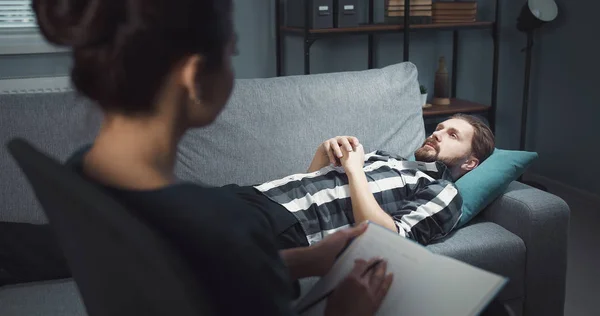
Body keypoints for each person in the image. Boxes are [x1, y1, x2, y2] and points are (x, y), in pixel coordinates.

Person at [30, 0, 393, 315]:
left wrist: (306, 260)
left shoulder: (81, 170)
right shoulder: (224, 223)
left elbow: (180, 272)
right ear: (193, 75)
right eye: (231, 53)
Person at [223, 114, 495, 249]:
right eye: (438, 129)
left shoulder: (443, 191)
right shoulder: (387, 158)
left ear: (470, 163)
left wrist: (354, 171)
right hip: (262, 192)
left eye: (452, 135)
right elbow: (312, 184)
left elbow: (390, 239)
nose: (437, 134)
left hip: (292, 224)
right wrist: (323, 155)